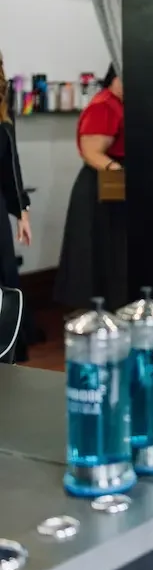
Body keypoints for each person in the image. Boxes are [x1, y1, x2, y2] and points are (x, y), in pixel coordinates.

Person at [55, 64, 127, 310]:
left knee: (117, 251)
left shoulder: (122, 104)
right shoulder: (104, 105)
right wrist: (120, 173)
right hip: (101, 186)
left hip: (114, 182)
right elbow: (91, 152)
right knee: (101, 251)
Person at [0, 50, 32, 360]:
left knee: (3, 276)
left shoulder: (2, 119)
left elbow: (10, 167)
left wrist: (22, 211)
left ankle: (7, 350)